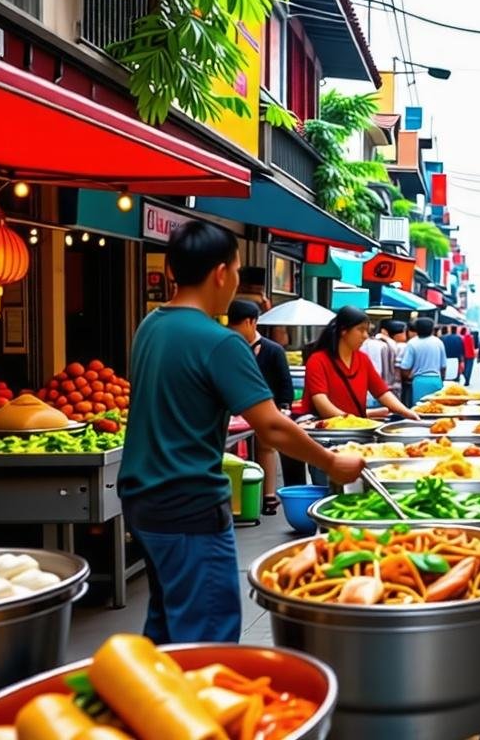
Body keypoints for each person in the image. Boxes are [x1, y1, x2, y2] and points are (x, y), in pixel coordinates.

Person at [119, 220, 364, 644]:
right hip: (189, 505)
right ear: (220, 273)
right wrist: (331, 463)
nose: (236, 281)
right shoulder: (220, 342)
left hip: (142, 503)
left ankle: (153, 704)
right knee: (207, 637)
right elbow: (270, 427)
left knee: (165, 626)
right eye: (235, 270)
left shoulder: (149, 327)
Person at [226, 300, 293, 517]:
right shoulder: (227, 348)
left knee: (266, 447)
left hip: (266, 407)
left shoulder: (273, 350)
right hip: (233, 411)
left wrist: (284, 405)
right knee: (230, 454)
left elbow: (284, 382)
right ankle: (236, 499)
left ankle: (268, 496)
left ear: (251, 322)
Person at [303, 306, 418, 422]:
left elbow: (382, 392)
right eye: (360, 329)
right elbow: (321, 403)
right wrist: (353, 422)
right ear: (344, 330)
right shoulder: (317, 360)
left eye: (367, 331)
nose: (365, 335)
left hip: (357, 430)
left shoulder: (363, 359)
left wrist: (407, 412)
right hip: (327, 432)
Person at [400, 317, 449, 401]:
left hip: (418, 381)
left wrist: (408, 377)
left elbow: (405, 367)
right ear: (432, 329)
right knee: (436, 408)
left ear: (417, 329)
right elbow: (443, 366)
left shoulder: (412, 343)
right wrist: (442, 379)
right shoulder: (438, 342)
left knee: (419, 408)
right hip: (436, 380)